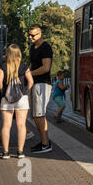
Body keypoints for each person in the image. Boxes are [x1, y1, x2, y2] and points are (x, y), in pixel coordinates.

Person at [0, 44, 33, 159]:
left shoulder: (3, 66)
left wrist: (3, 91)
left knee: (6, 125)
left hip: (6, 98)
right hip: (21, 98)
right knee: (21, 125)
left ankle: (6, 152)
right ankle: (20, 152)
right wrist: (25, 92)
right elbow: (31, 82)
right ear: (19, 54)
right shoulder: (24, 66)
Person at [28, 25, 53, 153]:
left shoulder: (45, 47)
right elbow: (31, 65)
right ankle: (44, 141)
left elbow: (46, 68)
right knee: (35, 115)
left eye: (33, 35)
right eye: (29, 35)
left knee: (40, 114)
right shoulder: (33, 48)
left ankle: (46, 144)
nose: (30, 37)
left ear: (40, 34)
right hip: (34, 83)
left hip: (42, 83)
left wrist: (29, 74)